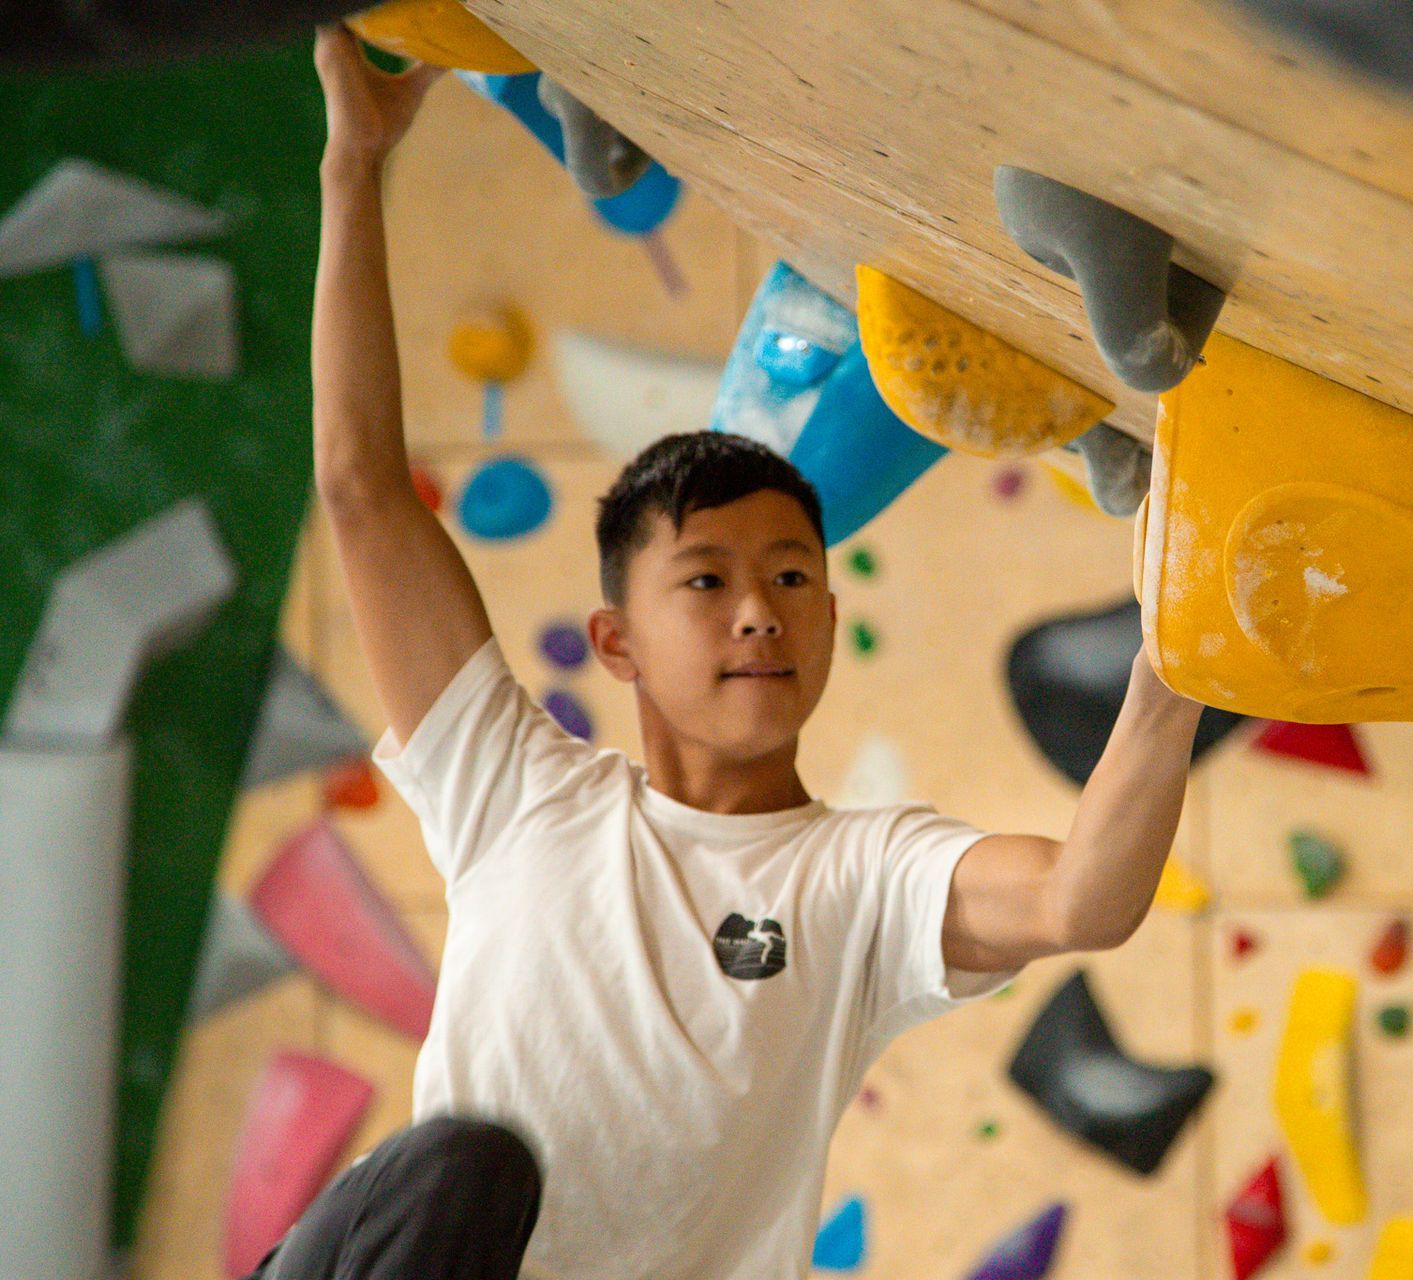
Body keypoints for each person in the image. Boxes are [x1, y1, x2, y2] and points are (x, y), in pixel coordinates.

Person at [260, 23, 1206, 1280]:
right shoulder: (514, 791)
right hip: (441, 1243)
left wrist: (1178, 651)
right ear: (617, 641)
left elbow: (1080, 896)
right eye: (705, 581)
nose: (758, 610)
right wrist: (353, 171)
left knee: (471, 1170)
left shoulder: (863, 881)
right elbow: (362, 489)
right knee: (460, 1176)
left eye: (791, 579)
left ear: (826, 620)